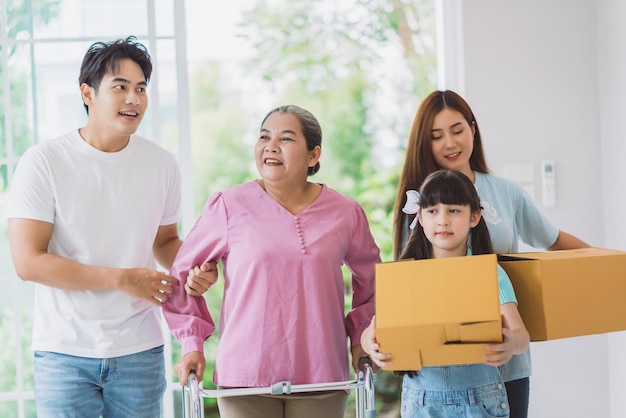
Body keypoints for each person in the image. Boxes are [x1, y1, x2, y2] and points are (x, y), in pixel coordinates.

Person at [6, 36, 216, 417]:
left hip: (140, 347)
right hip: (63, 352)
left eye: (141, 89)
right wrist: (122, 279)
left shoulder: (162, 164)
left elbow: (166, 242)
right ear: (88, 93)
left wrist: (194, 268)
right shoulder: (43, 162)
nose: (134, 99)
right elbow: (28, 263)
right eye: (120, 87)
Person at [163, 104, 381, 418]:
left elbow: (372, 280)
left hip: (321, 375)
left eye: (286, 138)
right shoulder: (228, 205)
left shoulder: (345, 212)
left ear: (313, 155)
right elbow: (180, 277)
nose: (271, 146)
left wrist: (361, 335)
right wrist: (192, 344)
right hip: (245, 379)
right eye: (264, 136)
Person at [391, 90, 589, 417]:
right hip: (438, 373)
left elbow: (553, 239)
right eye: (436, 136)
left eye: (457, 130)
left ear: (472, 129)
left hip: (502, 362)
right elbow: (406, 289)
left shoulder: (506, 191)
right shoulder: (419, 202)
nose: (450, 143)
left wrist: (607, 264)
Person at [362, 169, 530, 417]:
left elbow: (521, 335)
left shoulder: (490, 273)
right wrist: (371, 344)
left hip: (480, 401)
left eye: (453, 210)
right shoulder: (406, 275)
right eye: (432, 211)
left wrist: (511, 343)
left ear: (474, 216)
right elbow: (373, 330)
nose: (442, 220)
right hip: (422, 402)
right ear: (419, 216)